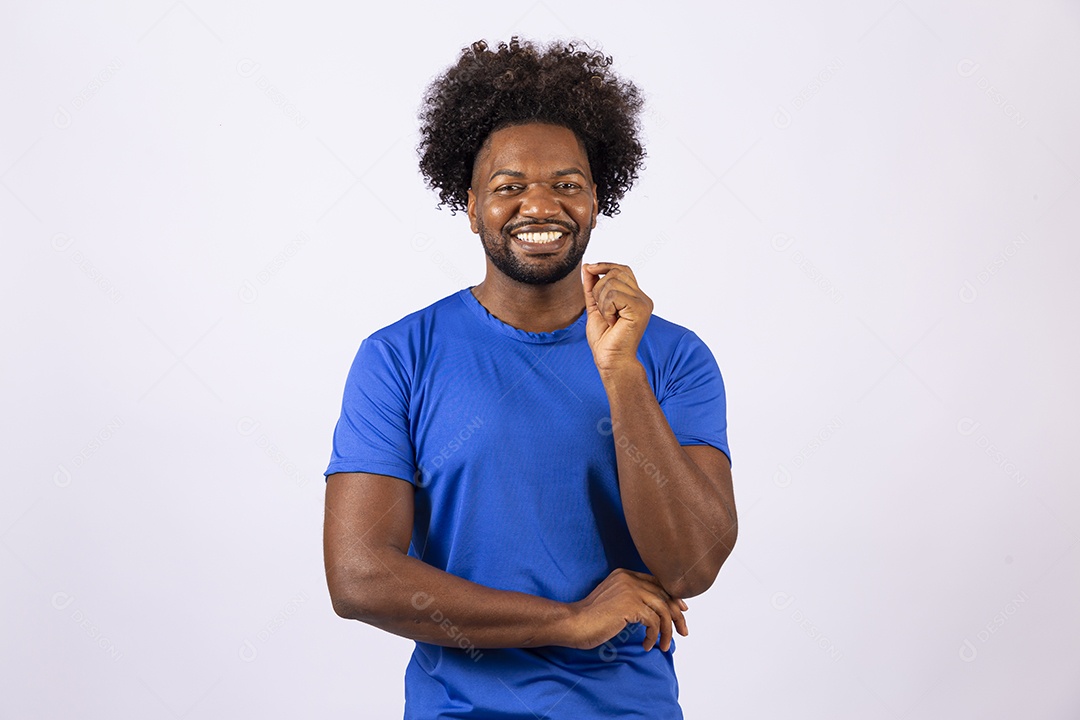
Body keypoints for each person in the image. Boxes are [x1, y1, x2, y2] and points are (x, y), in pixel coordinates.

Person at [323, 37, 737, 719]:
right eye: (509, 186)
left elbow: (691, 567)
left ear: (597, 199)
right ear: (471, 206)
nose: (539, 206)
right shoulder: (398, 356)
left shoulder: (672, 356)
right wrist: (568, 620)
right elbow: (360, 576)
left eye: (566, 185)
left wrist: (620, 372)